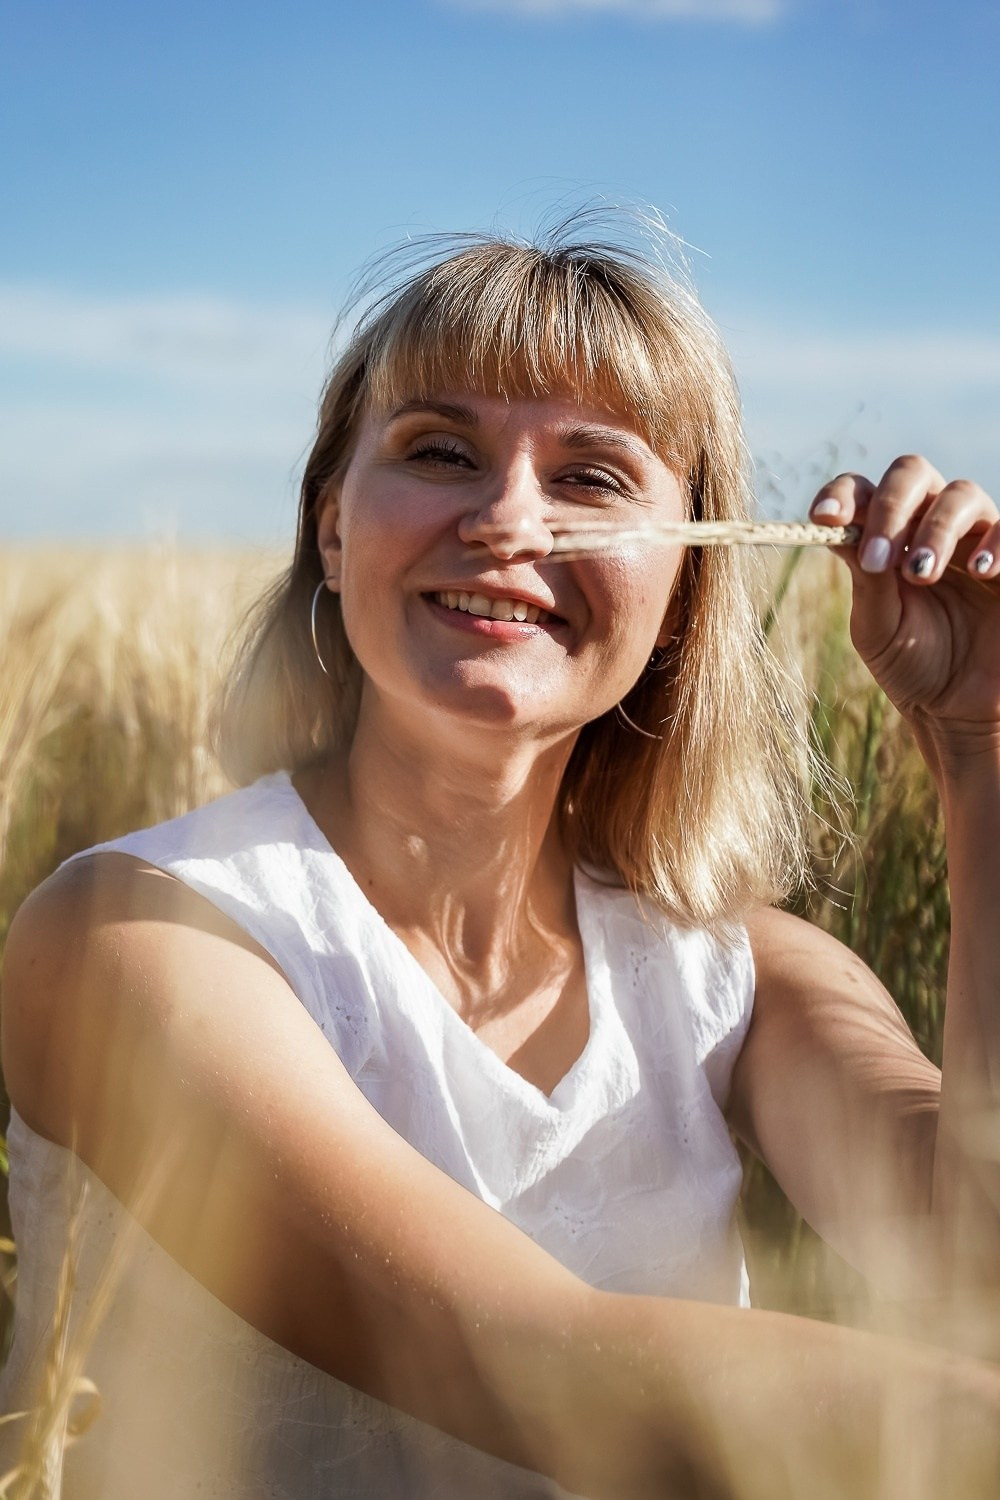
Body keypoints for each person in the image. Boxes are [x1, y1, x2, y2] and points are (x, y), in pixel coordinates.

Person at [1, 217, 999, 1499]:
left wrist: (979, 753)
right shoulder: (136, 938)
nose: (508, 519)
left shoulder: (739, 974)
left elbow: (974, 1264)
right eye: (439, 451)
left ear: (690, 581)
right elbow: (535, 1366)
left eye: (591, 477)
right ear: (332, 531)